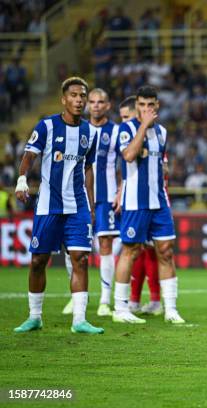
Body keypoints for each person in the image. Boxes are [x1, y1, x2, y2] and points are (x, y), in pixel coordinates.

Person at [13, 76, 103, 334]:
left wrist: (93, 206)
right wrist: (21, 180)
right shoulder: (47, 126)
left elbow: (88, 169)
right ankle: (35, 316)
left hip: (78, 207)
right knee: (39, 260)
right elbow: (30, 155)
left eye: (82, 96)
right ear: (64, 99)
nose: (79, 100)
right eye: (74, 95)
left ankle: (79, 320)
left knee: (81, 259)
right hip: (48, 206)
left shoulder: (90, 132)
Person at [113, 85, 184, 324]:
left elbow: (161, 163)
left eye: (150, 105)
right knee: (130, 251)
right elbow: (129, 156)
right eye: (141, 105)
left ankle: (170, 309)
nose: (146, 109)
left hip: (159, 201)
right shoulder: (126, 129)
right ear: (137, 107)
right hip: (135, 202)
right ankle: (121, 308)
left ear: (157, 105)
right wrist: (143, 125)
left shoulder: (162, 132)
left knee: (165, 251)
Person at [62, 88, 122, 317]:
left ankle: (105, 301)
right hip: (78, 197)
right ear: (88, 104)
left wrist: (120, 190)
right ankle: (74, 298)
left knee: (105, 246)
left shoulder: (116, 131)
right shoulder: (77, 129)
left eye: (101, 102)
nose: (96, 105)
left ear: (107, 105)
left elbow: (125, 165)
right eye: (93, 101)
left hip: (105, 198)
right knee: (73, 249)